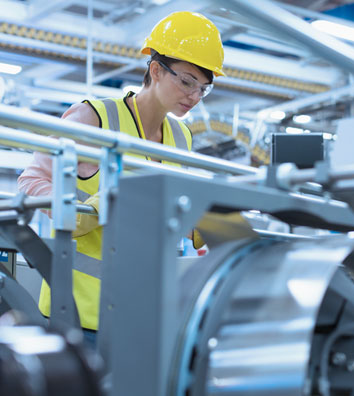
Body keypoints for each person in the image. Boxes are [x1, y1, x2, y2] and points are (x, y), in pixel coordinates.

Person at [17, 11, 225, 346]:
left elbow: (162, 208)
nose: (194, 97)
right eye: (187, 82)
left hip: (142, 311)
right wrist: (77, 213)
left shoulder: (181, 136)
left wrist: (207, 222)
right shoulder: (93, 118)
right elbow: (32, 180)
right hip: (79, 314)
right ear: (156, 70)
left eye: (204, 88)